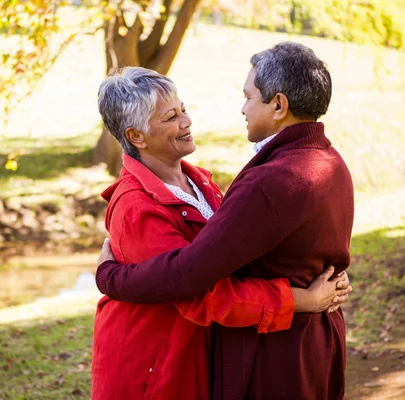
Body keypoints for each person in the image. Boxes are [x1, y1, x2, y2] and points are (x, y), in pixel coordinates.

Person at [96, 43, 355, 399]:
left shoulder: (210, 183)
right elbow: (198, 291)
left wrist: (110, 276)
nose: (187, 122)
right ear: (136, 136)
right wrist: (299, 300)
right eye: (171, 118)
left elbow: (203, 270)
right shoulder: (136, 206)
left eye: (182, 110)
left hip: (260, 352)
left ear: (278, 105)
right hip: (159, 370)